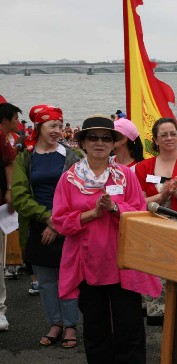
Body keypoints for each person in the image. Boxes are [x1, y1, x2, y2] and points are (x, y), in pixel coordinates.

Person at [52, 115, 162, 363]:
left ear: (114, 144)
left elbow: (139, 214)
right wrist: (92, 214)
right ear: (82, 142)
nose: (99, 142)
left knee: (130, 328)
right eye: (93, 137)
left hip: (123, 263)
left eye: (106, 137)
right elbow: (60, 221)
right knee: (95, 328)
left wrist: (115, 208)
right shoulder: (69, 178)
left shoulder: (125, 175)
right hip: (88, 264)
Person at [11, 105, 80, 348]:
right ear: (39, 128)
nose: (58, 131)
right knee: (47, 281)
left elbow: (81, 192)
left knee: (68, 279)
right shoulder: (25, 158)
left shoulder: (73, 156)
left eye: (60, 126)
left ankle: (71, 325)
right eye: (52, 126)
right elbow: (19, 196)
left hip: (67, 226)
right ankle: (55, 323)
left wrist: (58, 223)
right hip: (37, 227)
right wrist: (47, 218)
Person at [135, 118, 177, 326]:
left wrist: (176, 191)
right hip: (155, 227)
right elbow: (138, 203)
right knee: (157, 277)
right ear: (155, 140)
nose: (169, 138)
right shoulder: (143, 167)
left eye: (173, 133)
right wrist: (161, 195)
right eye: (163, 135)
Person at [0, 102, 21, 332]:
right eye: (15, 118)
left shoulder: (2, 137)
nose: (17, 123)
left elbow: (10, 162)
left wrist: (10, 189)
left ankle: (0, 310)